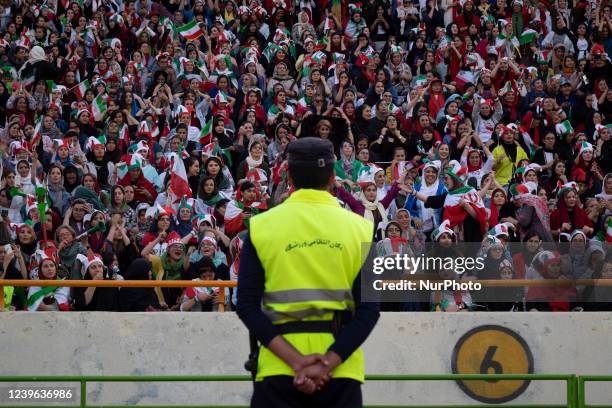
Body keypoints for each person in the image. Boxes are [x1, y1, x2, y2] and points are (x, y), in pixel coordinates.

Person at [237, 138, 379, 408]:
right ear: (332, 177)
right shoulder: (361, 228)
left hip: (278, 369)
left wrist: (296, 362)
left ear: (288, 175)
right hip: (340, 371)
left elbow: (246, 306)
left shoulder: (260, 226)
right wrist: (327, 364)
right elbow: (369, 310)